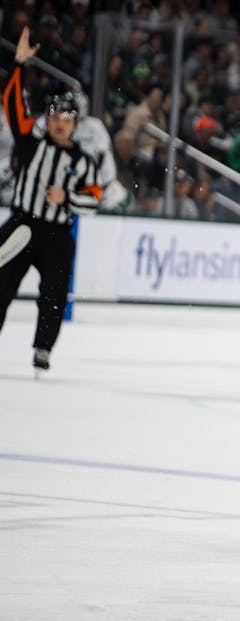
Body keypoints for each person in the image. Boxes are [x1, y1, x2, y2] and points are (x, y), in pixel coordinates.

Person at [0, 28, 101, 375]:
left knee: (54, 296)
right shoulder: (32, 142)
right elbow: (13, 106)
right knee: (1, 286)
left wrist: (67, 197)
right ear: (48, 120)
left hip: (57, 234)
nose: (59, 125)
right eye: (55, 118)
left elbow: (94, 199)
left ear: (75, 124)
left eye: (66, 120)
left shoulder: (84, 161)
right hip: (22, 223)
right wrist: (19, 66)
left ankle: (43, 349)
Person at [36, 90, 132, 213]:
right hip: (69, 188)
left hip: (104, 187)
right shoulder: (56, 125)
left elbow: (101, 156)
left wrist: (91, 181)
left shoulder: (95, 126)